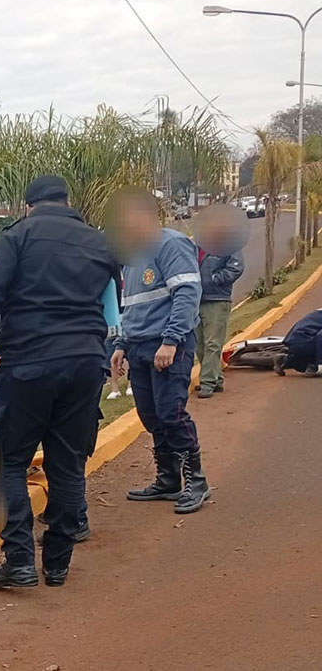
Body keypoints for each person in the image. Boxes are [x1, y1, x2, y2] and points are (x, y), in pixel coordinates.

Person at [0, 175, 119, 589]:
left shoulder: (17, 237)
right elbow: (112, 302)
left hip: (29, 363)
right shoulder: (100, 242)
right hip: (86, 363)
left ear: (28, 205)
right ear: (67, 202)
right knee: (67, 465)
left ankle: (19, 560)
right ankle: (57, 563)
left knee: (7, 462)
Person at [109, 189, 210, 515]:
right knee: (151, 416)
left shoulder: (171, 244)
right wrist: (121, 345)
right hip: (138, 347)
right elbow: (131, 307)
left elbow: (187, 294)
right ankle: (168, 479)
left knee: (171, 413)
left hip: (168, 346)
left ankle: (196, 481)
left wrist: (171, 341)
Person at [196, 246, 244, 399]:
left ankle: (207, 382)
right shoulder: (194, 245)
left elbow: (236, 267)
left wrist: (215, 279)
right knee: (199, 344)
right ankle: (216, 379)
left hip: (217, 300)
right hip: (196, 300)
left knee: (212, 343)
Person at [273, 309, 322, 376]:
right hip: (304, 342)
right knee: (315, 353)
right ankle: (314, 367)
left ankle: (285, 361)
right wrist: (320, 363)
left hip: (294, 341)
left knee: (302, 364)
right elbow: (320, 336)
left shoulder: (318, 313)